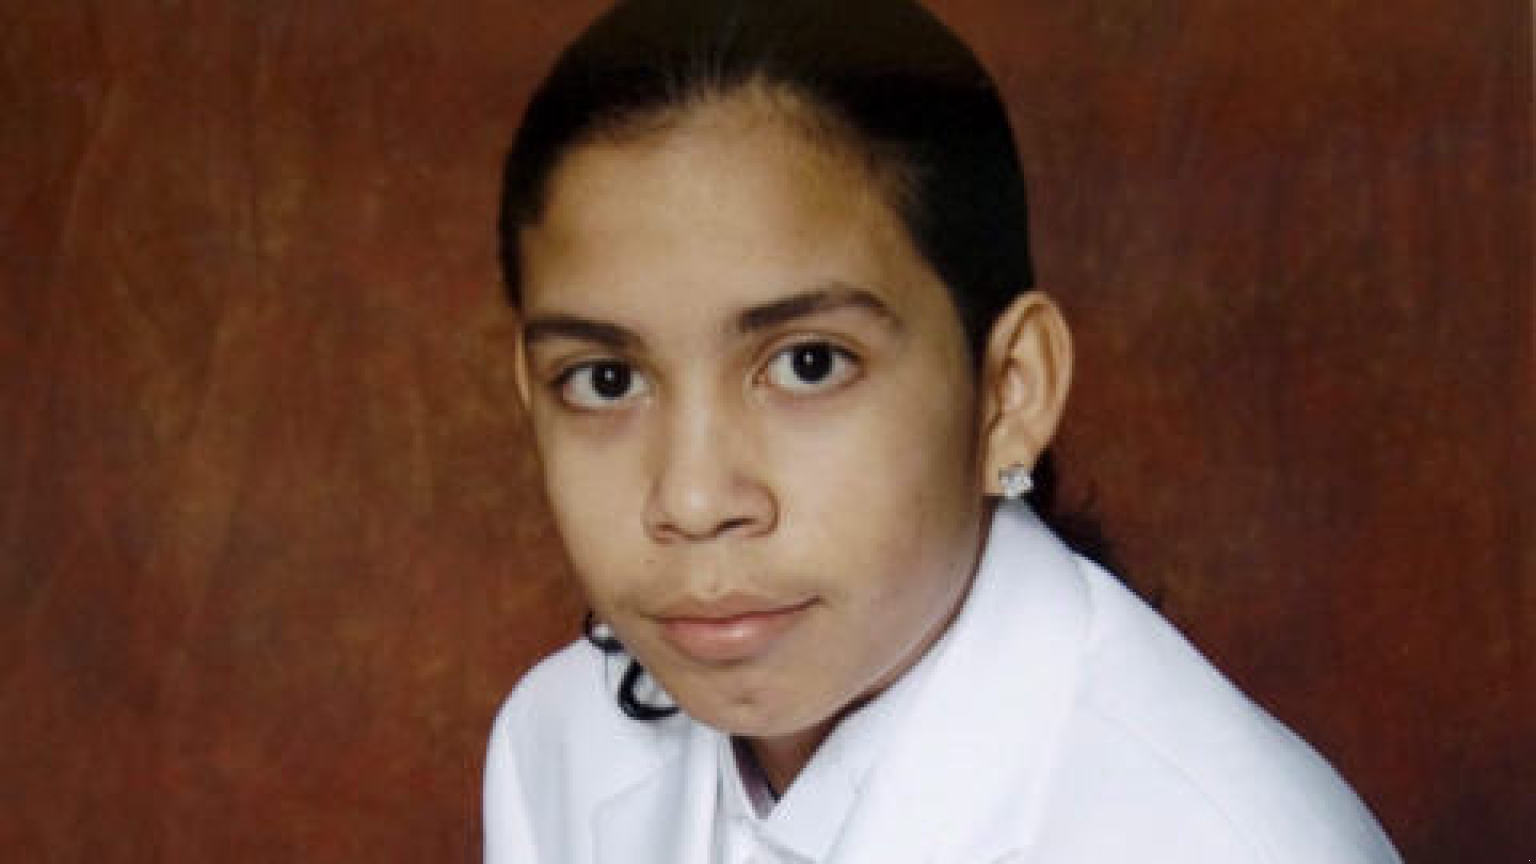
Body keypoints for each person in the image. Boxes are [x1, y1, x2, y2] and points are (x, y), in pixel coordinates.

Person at [483, 1, 1403, 861]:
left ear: (1009, 393)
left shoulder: (1229, 840)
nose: (691, 499)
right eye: (606, 380)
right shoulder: (557, 741)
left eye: (810, 364)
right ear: (531, 392)